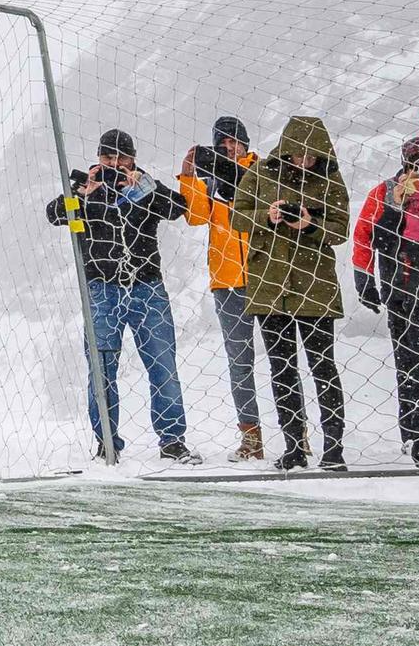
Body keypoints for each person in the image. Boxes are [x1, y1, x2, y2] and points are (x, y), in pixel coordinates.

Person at [48, 128, 190, 463]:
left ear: (132, 159)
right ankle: (107, 442)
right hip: (102, 289)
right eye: (107, 157)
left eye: (120, 157)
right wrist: (83, 193)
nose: (114, 164)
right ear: (98, 158)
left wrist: (143, 188)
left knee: (163, 365)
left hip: (147, 287)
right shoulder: (85, 189)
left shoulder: (144, 185)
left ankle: (172, 440)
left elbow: (178, 207)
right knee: (101, 368)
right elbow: (54, 214)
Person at [238, 117, 351, 470]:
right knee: (281, 368)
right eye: (299, 153)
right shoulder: (259, 175)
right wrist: (267, 215)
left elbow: (341, 227)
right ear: (286, 150)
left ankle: (333, 448)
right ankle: (294, 447)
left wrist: (310, 224)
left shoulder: (330, 180)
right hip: (270, 287)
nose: (305, 160)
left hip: (314, 284)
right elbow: (236, 218)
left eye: (311, 155)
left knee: (323, 367)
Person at [351, 138, 419, 467]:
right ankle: (414, 431)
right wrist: (365, 280)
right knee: (408, 363)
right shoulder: (384, 192)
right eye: (413, 162)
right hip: (402, 290)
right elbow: (365, 237)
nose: (418, 169)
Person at [176, 116, 265, 462]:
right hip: (228, 281)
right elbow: (197, 217)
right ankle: (251, 438)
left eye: (234, 141)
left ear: (245, 142)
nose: (229, 147)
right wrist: (188, 177)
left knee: (280, 359)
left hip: (266, 276)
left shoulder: (261, 169)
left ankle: (294, 435)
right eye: (222, 142)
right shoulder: (209, 179)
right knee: (239, 362)